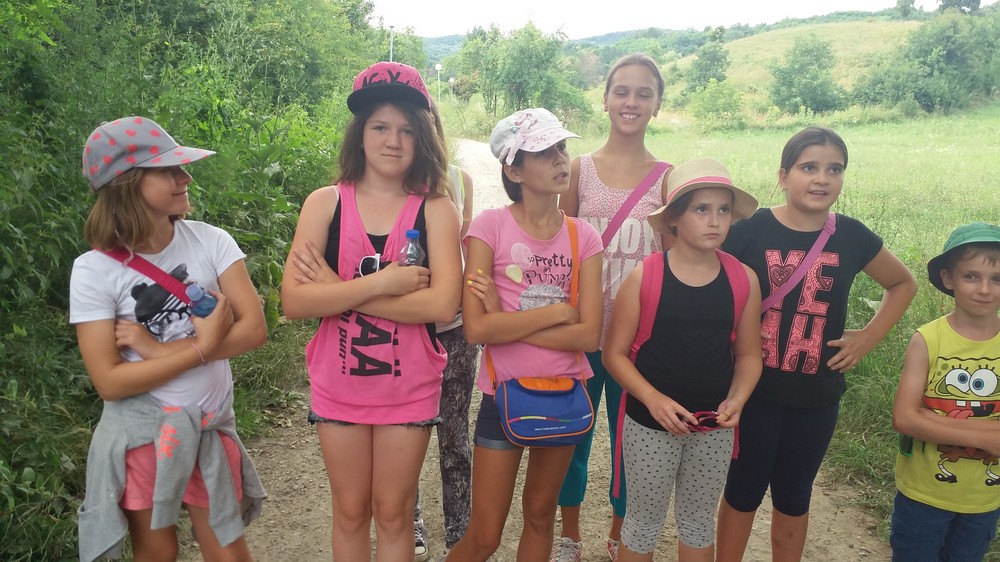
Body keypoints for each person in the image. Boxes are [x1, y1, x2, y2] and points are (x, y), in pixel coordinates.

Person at [280, 61, 462, 560]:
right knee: (350, 511)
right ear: (359, 134)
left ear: (422, 139)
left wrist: (338, 289)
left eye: (407, 130)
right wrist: (387, 283)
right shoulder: (324, 205)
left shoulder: (436, 210)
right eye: (380, 127)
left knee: (394, 513)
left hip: (409, 388)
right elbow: (295, 301)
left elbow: (443, 303)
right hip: (339, 386)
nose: (393, 141)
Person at [71, 116, 268, 562]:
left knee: (229, 552)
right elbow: (110, 382)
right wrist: (203, 346)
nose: (185, 178)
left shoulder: (211, 242)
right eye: (168, 170)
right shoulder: (94, 270)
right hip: (143, 435)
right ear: (127, 184)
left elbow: (254, 330)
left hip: (210, 427)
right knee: (156, 550)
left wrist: (159, 352)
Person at [716, 126, 918, 561]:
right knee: (742, 491)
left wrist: (869, 337)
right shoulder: (749, 230)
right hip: (752, 394)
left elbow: (903, 283)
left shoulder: (851, 235)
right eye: (809, 167)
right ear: (783, 176)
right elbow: (705, 275)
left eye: (834, 169)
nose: (822, 178)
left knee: (794, 495)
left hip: (816, 397)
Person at [443, 108, 604, 562]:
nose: (560, 159)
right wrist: (559, 313)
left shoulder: (584, 237)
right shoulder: (489, 227)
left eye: (561, 148)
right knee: (484, 535)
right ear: (513, 170)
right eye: (544, 151)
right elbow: (477, 328)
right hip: (503, 395)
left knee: (540, 516)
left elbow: (589, 336)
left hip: (564, 394)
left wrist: (507, 320)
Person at [602, 157, 762, 561]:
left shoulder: (743, 279)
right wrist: (653, 399)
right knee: (642, 523)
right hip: (649, 423)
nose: (715, 221)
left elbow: (748, 355)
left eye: (723, 210)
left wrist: (738, 399)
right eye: (701, 209)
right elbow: (614, 355)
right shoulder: (645, 276)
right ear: (673, 217)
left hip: (713, 426)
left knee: (698, 522)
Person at [554, 52, 672, 562]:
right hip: (582, 336)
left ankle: (620, 532)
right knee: (571, 439)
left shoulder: (668, 179)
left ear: (657, 105)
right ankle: (569, 533)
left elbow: (673, 261)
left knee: (632, 446)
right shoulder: (578, 170)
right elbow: (560, 250)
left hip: (638, 343)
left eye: (644, 93)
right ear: (604, 100)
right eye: (622, 91)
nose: (631, 101)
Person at [890, 222, 1000, 562]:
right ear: (948, 278)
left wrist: (931, 420)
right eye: (971, 276)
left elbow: (917, 417)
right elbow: (904, 419)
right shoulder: (927, 339)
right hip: (923, 495)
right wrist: (987, 436)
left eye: (997, 278)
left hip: (984, 500)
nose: (985, 289)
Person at [412, 104, 480, 561]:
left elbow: (468, 254)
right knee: (408, 432)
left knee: (454, 433)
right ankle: (410, 518)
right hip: (405, 329)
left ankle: (461, 528)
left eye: (425, 123)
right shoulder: (387, 185)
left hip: (454, 328)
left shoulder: (460, 180)